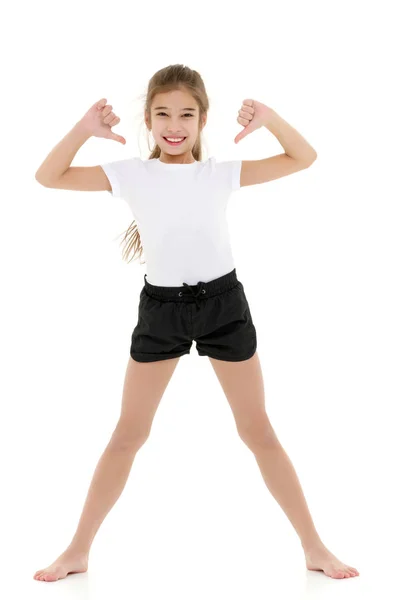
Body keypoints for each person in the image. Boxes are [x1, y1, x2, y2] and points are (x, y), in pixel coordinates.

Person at [33, 64, 359, 582]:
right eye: (163, 113)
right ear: (148, 119)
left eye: (187, 113)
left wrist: (269, 118)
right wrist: (82, 131)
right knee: (128, 434)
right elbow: (48, 177)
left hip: (224, 308)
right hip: (160, 310)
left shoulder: (219, 172)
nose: (174, 124)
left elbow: (305, 157)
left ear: (203, 120)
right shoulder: (130, 174)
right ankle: (77, 550)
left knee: (258, 431)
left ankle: (315, 546)